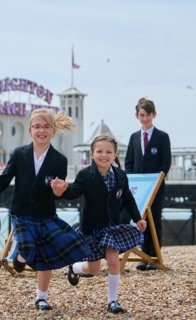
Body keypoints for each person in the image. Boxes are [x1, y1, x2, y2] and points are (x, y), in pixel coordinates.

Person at [0, 108, 90, 311]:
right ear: (30, 130)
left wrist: (59, 190)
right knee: (28, 250)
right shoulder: (20, 154)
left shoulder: (59, 160)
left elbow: (58, 192)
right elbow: (4, 180)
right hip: (21, 213)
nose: (41, 131)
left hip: (46, 214)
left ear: (53, 131)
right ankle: (19, 256)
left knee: (61, 250)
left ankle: (41, 298)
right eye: (37, 126)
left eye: (46, 127)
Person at [51, 135, 147, 314]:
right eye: (100, 151)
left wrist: (138, 218)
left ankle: (113, 301)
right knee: (93, 269)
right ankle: (74, 266)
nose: (104, 155)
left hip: (112, 227)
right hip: (91, 228)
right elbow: (73, 192)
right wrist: (60, 191)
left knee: (112, 261)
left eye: (109, 152)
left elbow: (127, 198)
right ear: (92, 154)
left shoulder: (120, 175)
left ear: (115, 154)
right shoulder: (86, 175)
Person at [124, 97, 171, 271]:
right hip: (138, 188)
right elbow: (129, 162)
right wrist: (130, 181)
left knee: (155, 220)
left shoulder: (162, 137)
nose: (145, 118)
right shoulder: (134, 137)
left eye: (148, 115)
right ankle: (144, 257)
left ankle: (155, 257)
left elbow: (166, 163)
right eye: (141, 115)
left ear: (154, 114)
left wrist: (157, 180)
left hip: (156, 187)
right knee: (140, 219)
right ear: (137, 116)